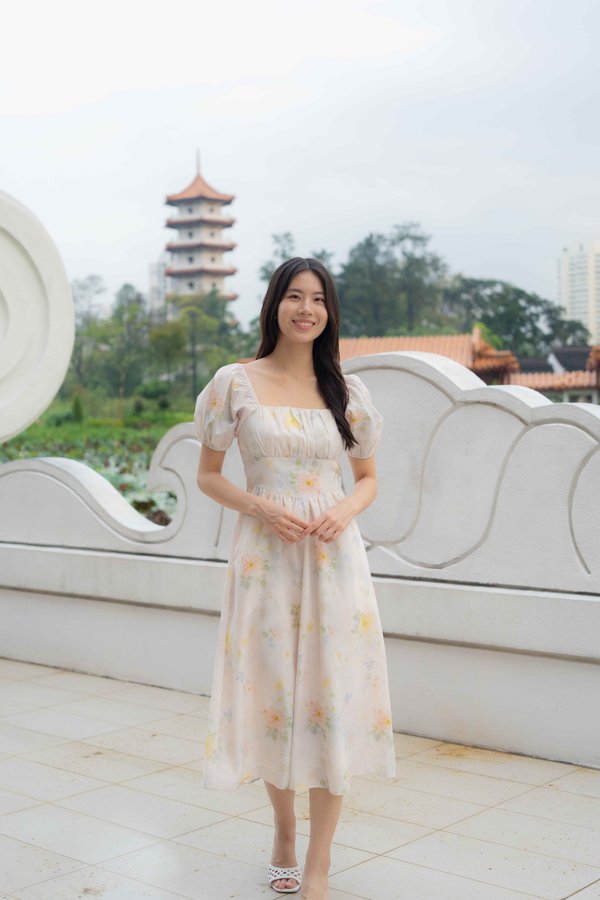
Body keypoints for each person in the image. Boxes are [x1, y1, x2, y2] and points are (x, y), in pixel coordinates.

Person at [194, 257, 396, 899]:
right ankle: (283, 830)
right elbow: (209, 475)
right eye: (294, 297)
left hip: (335, 561)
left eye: (318, 299)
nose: (306, 309)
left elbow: (367, 482)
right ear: (274, 304)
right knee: (277, 698)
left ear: (329, 312)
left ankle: (319, 863)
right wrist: (260, 506)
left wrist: (341, 509)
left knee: (330, 701)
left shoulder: (347, 393)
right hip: (265, 559)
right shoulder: (234, 383)